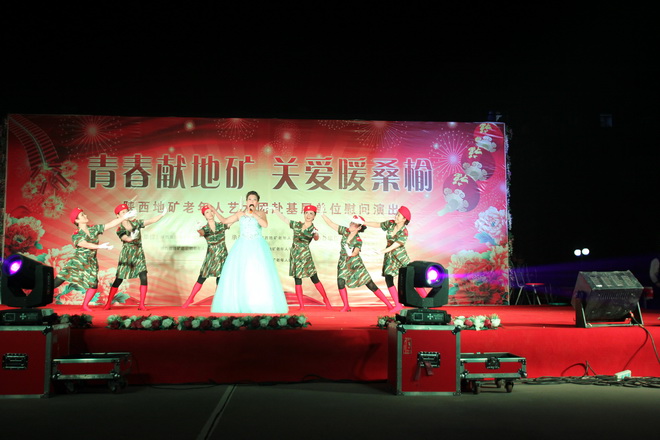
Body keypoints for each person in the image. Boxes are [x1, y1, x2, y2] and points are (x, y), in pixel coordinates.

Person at [210, 191, 288, 314]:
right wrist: (214, 211)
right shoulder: (240, 213)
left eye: (254, 199)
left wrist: (254, 214)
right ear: (246, 201)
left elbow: (265, 225)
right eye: (250, 199)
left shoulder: (261, 213)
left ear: (257, 202)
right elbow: (225, 221)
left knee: (259, 273)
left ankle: (259, 304)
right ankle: (241, 303)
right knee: (241, 274)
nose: (252, 201)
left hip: (257, 247)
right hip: (242, 246)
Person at [54, 207, 136, 312]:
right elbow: (84, 244)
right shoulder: (77, 234)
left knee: (93, 285)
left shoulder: (94, 229)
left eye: (84, 213)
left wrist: (124, 217)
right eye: (82, 215)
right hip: (77, 262)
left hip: (90, 262)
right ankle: (39, 295)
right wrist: (99, 246)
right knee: (59, 280)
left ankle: (84, 306)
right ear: (77, 220)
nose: (85, 215)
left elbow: (110, 224)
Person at [321, 211, 395, 312]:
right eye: (351, 222)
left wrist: (350, 252)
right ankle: (346, 306)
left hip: (355, 265)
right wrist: (322, 214)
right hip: (343, 263)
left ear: (359, 228)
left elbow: (355, 252)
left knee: (370, 284)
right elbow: (331, 224)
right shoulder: (345, 231)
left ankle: (389, 305)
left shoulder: (358, 240)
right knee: (340, 282)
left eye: (354, 224)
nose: (351, 225)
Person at [103, 203, 167, 311]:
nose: (126, 213)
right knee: (119, 279)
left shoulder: (136, 223)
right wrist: (131, 237)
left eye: (127, 211)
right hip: (127, 254)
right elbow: (126, 238)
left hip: (138, 253)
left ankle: (141, 304)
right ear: (118, 216)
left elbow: (151, 221)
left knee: (143, 276)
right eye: (123, 212)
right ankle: (108, 303)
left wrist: (162, 214)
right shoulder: (119, 228)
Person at [273, 204, 331, 310]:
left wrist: (316, 234)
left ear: (314, 216)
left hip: (306, 257)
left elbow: (316, 237)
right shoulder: (297, 225)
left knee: (314, 278)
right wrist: (275, 210)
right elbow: (285, 219)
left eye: (311, 214)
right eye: (306, 213)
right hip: (295, 256)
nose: (308, 215)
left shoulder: (313, 229)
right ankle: (301, 306)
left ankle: (326, 299)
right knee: (298, 280)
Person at [364, 206, 417, 312]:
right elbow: (378, 224)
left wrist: (381, 251)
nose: (396, 216)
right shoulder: (391, 223)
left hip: (400, 257)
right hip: (390, 257)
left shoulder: (404, 232)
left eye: (399, 215)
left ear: (404, 219)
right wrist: (364, 222)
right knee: (388, 278)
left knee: (411, 279)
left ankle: (426, 301)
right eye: (396, 214)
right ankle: (398, 305)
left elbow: (394, 246)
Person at [181, 204, 231, 308]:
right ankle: (190, 299)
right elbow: (201, 233)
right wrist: (197, 229)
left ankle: (217, 301)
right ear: (204, 215)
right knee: (202, 277)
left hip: (222, 256)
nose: (210, 213)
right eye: (207, 212)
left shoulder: (221, 225)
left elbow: (231, 221)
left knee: (220, 278)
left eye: (211, 211)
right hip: (211, 256)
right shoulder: (205, 228)